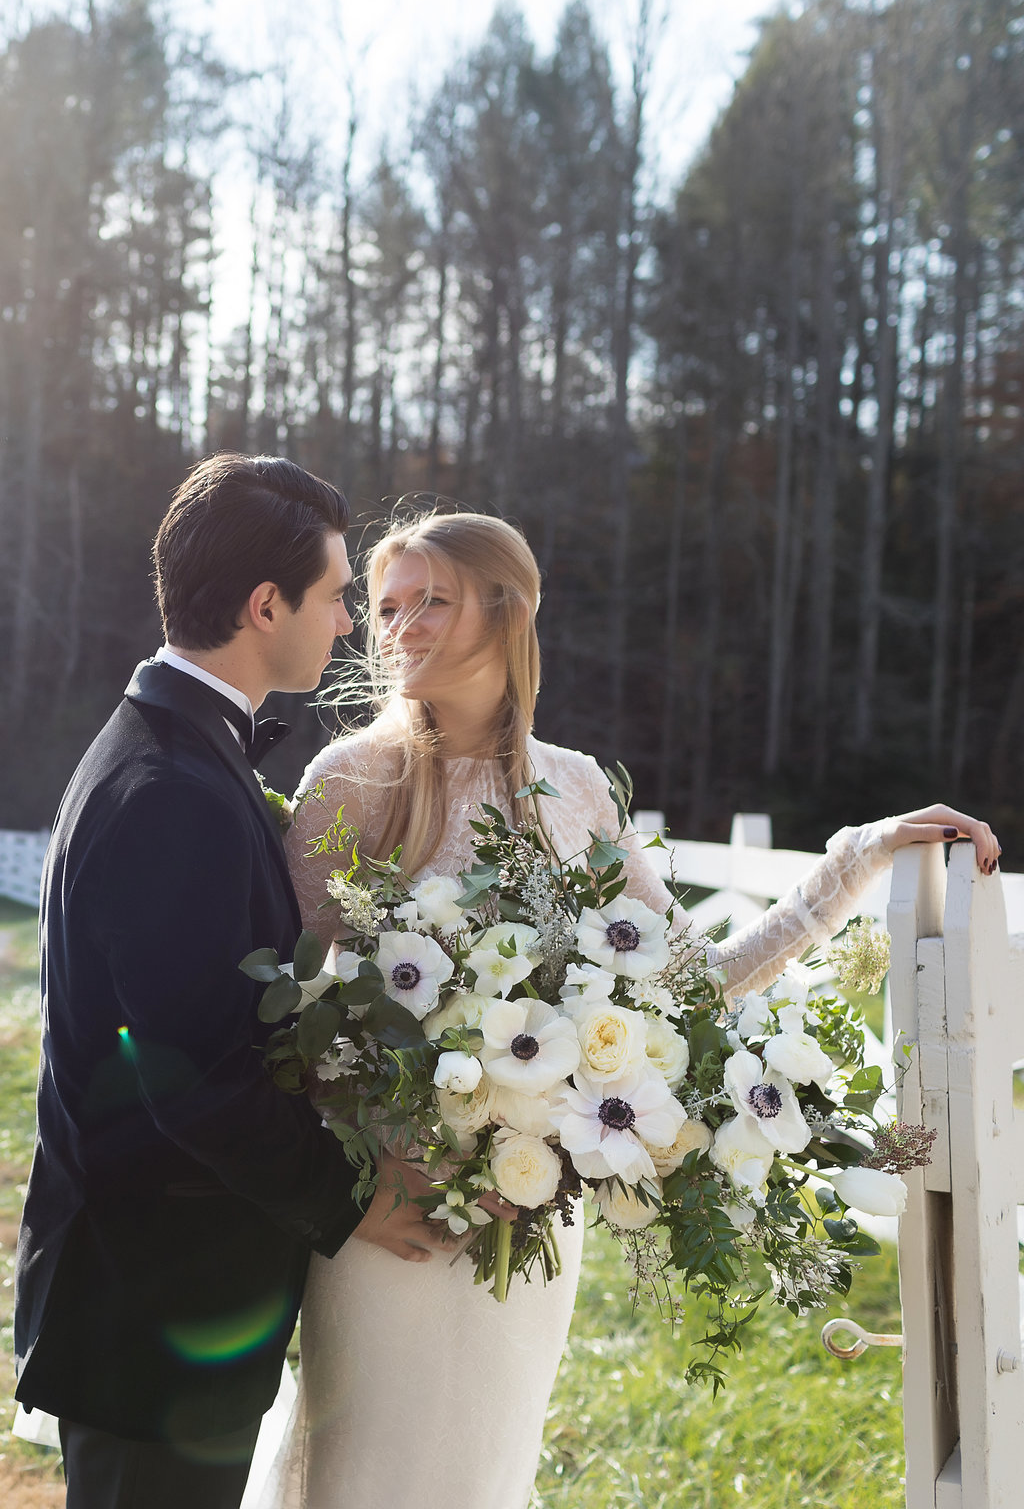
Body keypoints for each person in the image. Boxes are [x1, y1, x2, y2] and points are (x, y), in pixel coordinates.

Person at [253, 508, 999, 1509]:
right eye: (386, 607)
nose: (398, 628)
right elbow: (287, 1016)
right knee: (363, 1476)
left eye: (431, 600)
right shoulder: (350, 781)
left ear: (506, 610)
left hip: (530, 1219)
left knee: (484, 1475)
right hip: (390, 1221)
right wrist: (366, 1175)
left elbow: (690, 980)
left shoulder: (574, 790)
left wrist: (851, 863)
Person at [13, 453, 446, 1509]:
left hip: (157, 1299)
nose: (349, 623)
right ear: (265, 605)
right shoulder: (170, 791)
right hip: (153, 1308)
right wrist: (358, 1200)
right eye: (338, 594)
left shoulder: (175, 750)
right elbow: (193, 1072)